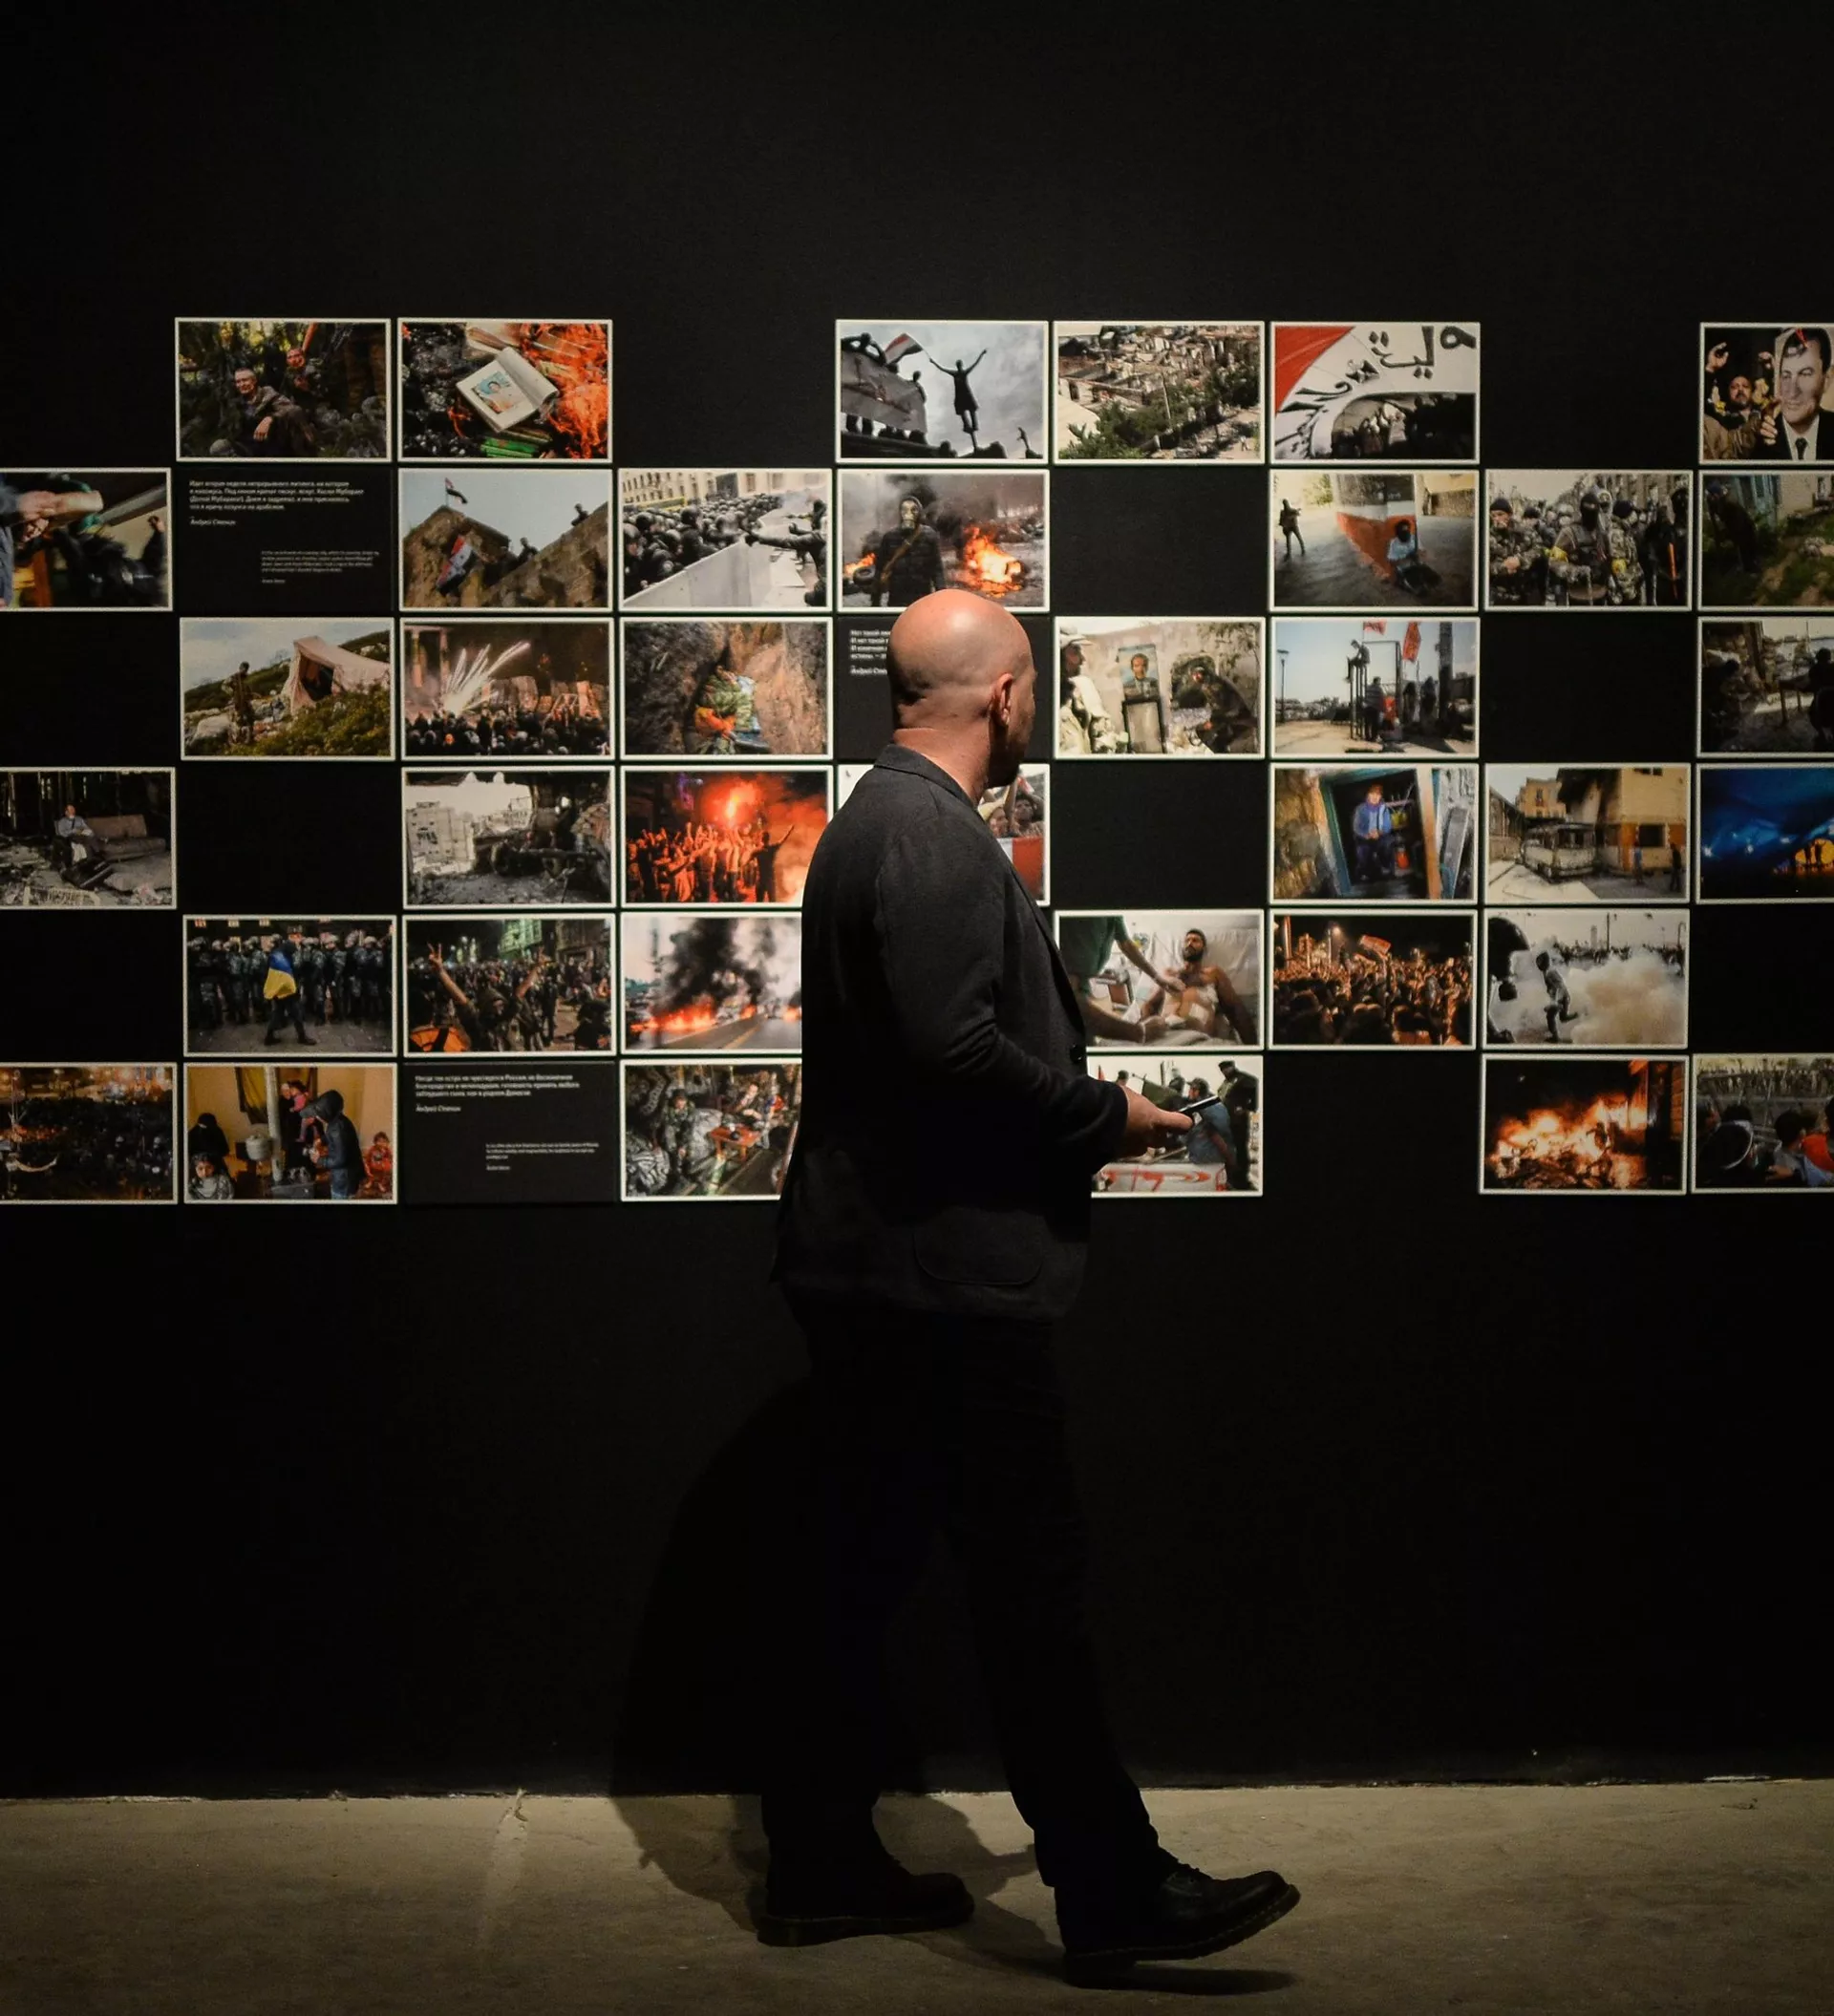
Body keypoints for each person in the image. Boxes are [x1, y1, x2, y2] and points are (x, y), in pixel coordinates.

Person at [766, 587, 1298, 1980]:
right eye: (1031, 692)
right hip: (941, 1281)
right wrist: (1103, 1114)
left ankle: (818, 1860)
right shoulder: (933, 835)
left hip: (882, 1270)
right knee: (1028, 1582)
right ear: (1002, 695)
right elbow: (952, 1053)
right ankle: (1112, 1886)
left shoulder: (873, 820)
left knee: (863, 1566)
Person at [1759, 328, 1832, 461]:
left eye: (1805, 374)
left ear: (1826, 380)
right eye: (1786, 376)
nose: (1792, 391)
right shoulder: (1762, 444)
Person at [1535, 951, 1580, 1042]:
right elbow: (1555, 987)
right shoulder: (1548, 972)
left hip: (1562, 997)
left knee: (1550, 1016)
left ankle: (1555, 1038)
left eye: (1540, 962)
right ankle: (1579, 1014)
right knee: (1563, 1018)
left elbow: (1558, 987)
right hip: (1564, 997)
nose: (1538, 965)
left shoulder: (1549, 973)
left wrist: (1554, 1002)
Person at [1352, 783, 1393, 881]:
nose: (1375, 797)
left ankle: (1385, 866)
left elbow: (1388, 826)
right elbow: (1356, 827)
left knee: (1388, 843)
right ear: (1368, 795)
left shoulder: (1384, 808)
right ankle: (1365, 871)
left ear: (1381, 797)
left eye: (1378, 794)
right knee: (1361, 850)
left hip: (1379, 836)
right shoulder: (1360, 809)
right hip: (1365, 837)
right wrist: (1365, 835)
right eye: (1372, 794)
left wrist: (1379, 832)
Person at [1277, 495, 1304, 560]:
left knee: (1299, 538)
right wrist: (1283, 525)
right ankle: (1289, 553)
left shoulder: (1292, 510)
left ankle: (1302, 549)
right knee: (1289, 541)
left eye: (1286, 503)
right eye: (1284, 504)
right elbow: (1281, 521)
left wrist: (1293, 515)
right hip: (1288, 528)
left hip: (1294, 526)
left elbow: (1298, 514)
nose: (1285, 505)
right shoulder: (1283, 512)